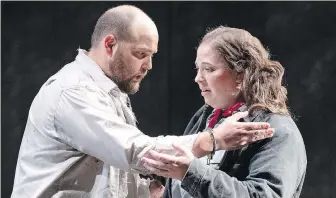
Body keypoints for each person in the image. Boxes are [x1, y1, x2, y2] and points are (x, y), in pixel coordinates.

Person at [10, 6, 274, 198]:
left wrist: (143, 191)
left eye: (152, 55)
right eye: (140, 54)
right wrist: (213, 140)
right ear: (110, 44)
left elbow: (115, 166)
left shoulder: (108, 92)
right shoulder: (73, 92)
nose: (148, 65)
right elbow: (135, 152)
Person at [141, 26, 307, 198]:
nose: (198, 78)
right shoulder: (205, 117)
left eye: (209, 69)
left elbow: (265, 195)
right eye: (198, 68)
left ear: (241, 75)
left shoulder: (276, 130)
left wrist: (191, 173)